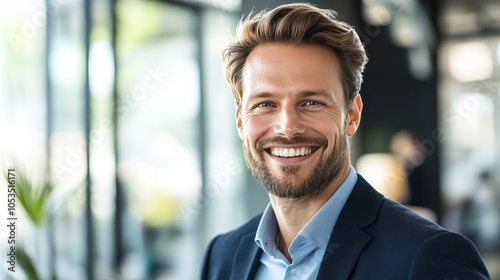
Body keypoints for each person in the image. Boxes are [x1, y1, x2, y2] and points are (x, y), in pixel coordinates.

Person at [201, 3, 490, 279]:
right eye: (265, 104)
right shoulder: (222, 255)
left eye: (311, 102)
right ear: (240, 121)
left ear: (351, 115)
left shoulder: (430, 257)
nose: (287, 128)